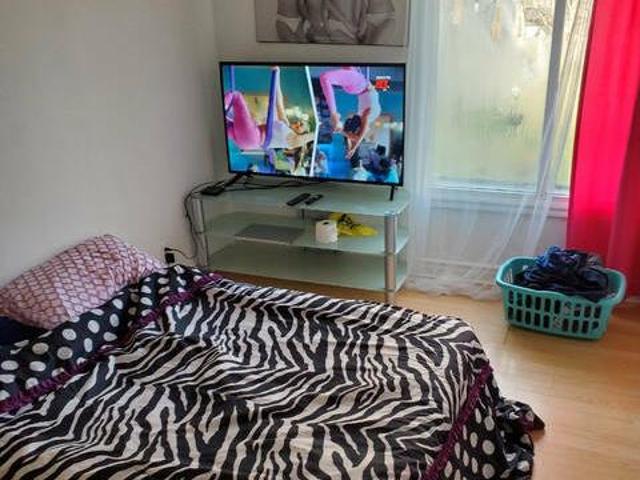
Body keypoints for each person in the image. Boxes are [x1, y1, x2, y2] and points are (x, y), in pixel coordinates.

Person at [224, 67, 314, 151]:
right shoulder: (285, 123)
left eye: (301, 125)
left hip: (253, 137)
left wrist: (316, 133)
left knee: (236, 96)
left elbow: (303, 139)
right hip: (248, 141)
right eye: (300, 122)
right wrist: (277, 73)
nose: (298, 123)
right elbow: (278, 99)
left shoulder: (293, 140)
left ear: (303, 134)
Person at [319, 66, 382, 159]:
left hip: (358, 84)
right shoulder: (367, 116)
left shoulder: (365, 116)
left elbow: (356, 137)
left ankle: (334, 113)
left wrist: (344, 134)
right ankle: (334, 113)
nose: (351, 118)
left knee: (325, 78)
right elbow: (358, 137)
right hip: (359, 84)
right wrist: (353, 148)